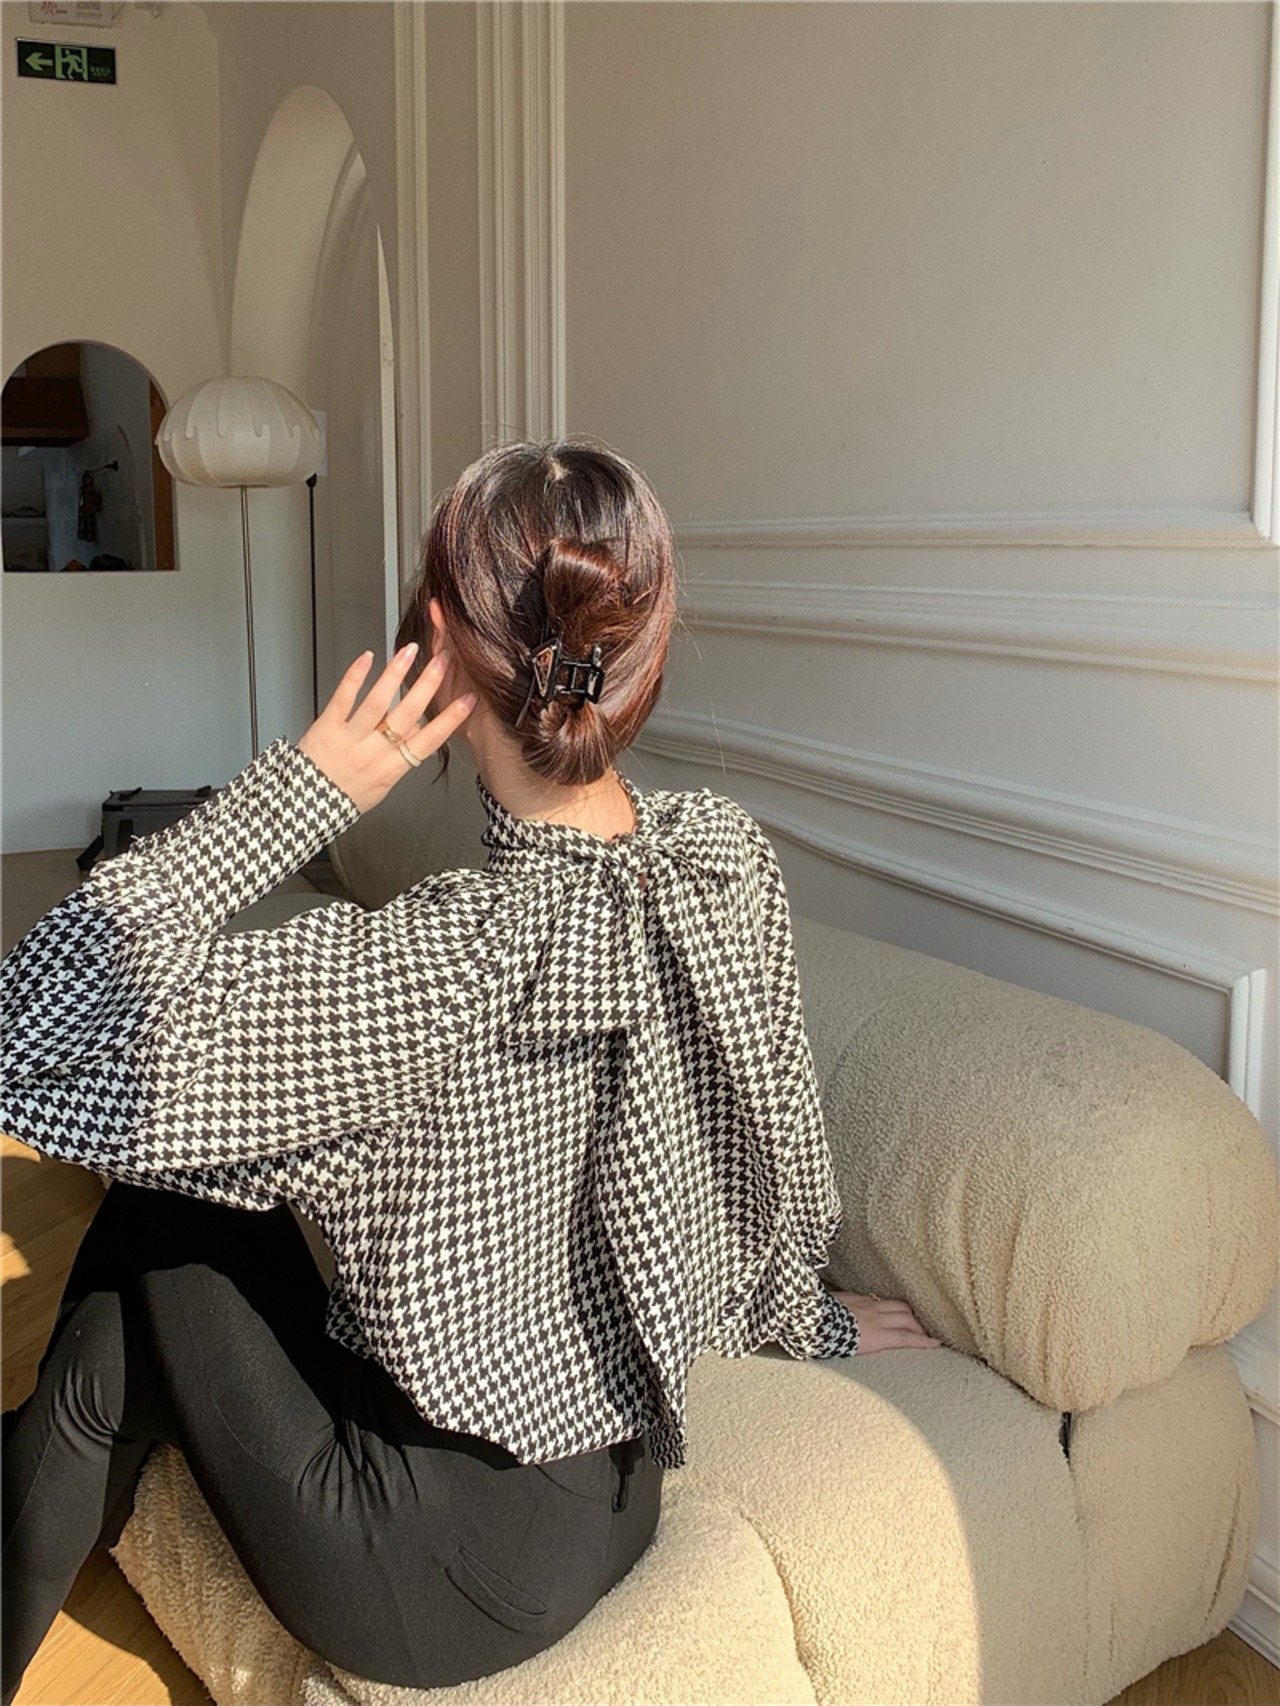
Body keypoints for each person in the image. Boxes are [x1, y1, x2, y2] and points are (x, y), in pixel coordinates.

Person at [0, 437, 940, 1704]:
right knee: (147, 1284)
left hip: (430, 1581)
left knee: (149, 1231)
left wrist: (299, 795)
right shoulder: (721, 863)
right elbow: (770, 1141)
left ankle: (41, 1478)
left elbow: (29, 1024)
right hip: (616, 1498)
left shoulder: (432, 967)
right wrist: (809, 1319)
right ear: (641, 644)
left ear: (437, 646)